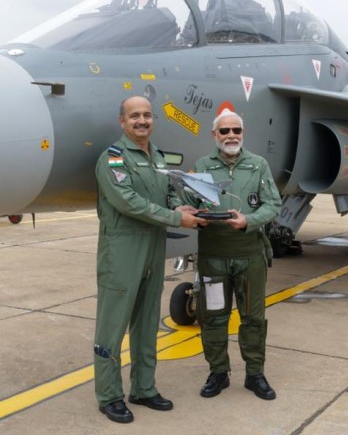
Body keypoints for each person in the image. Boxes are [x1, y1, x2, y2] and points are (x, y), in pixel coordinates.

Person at [93, 96, 207, 423]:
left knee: (146, 324)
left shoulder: (156, 155)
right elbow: (127, 201)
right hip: (123, 251)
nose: (142, 121)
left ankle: (143, 388)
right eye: (134, 116)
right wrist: (174, 218)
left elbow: (167, 191)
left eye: (146, 115)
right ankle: (109, 395)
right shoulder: (113, 159)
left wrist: (179, 206)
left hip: (153, 247)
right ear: (122, 121)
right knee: (112, 327)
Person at [188, 109, 282, 400]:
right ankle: (218, 373)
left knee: (253, 318)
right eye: (225, 131)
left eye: (236, 131)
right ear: (214, 135)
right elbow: (189, 201)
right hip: (213, 258)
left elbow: (272, 204)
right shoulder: (202, 165)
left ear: (243, 133)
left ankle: (255, 374)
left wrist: (249, 221)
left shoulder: (258, 165)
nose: (231, 136)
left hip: (249, 257)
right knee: (214, 317)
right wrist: (191, 209)